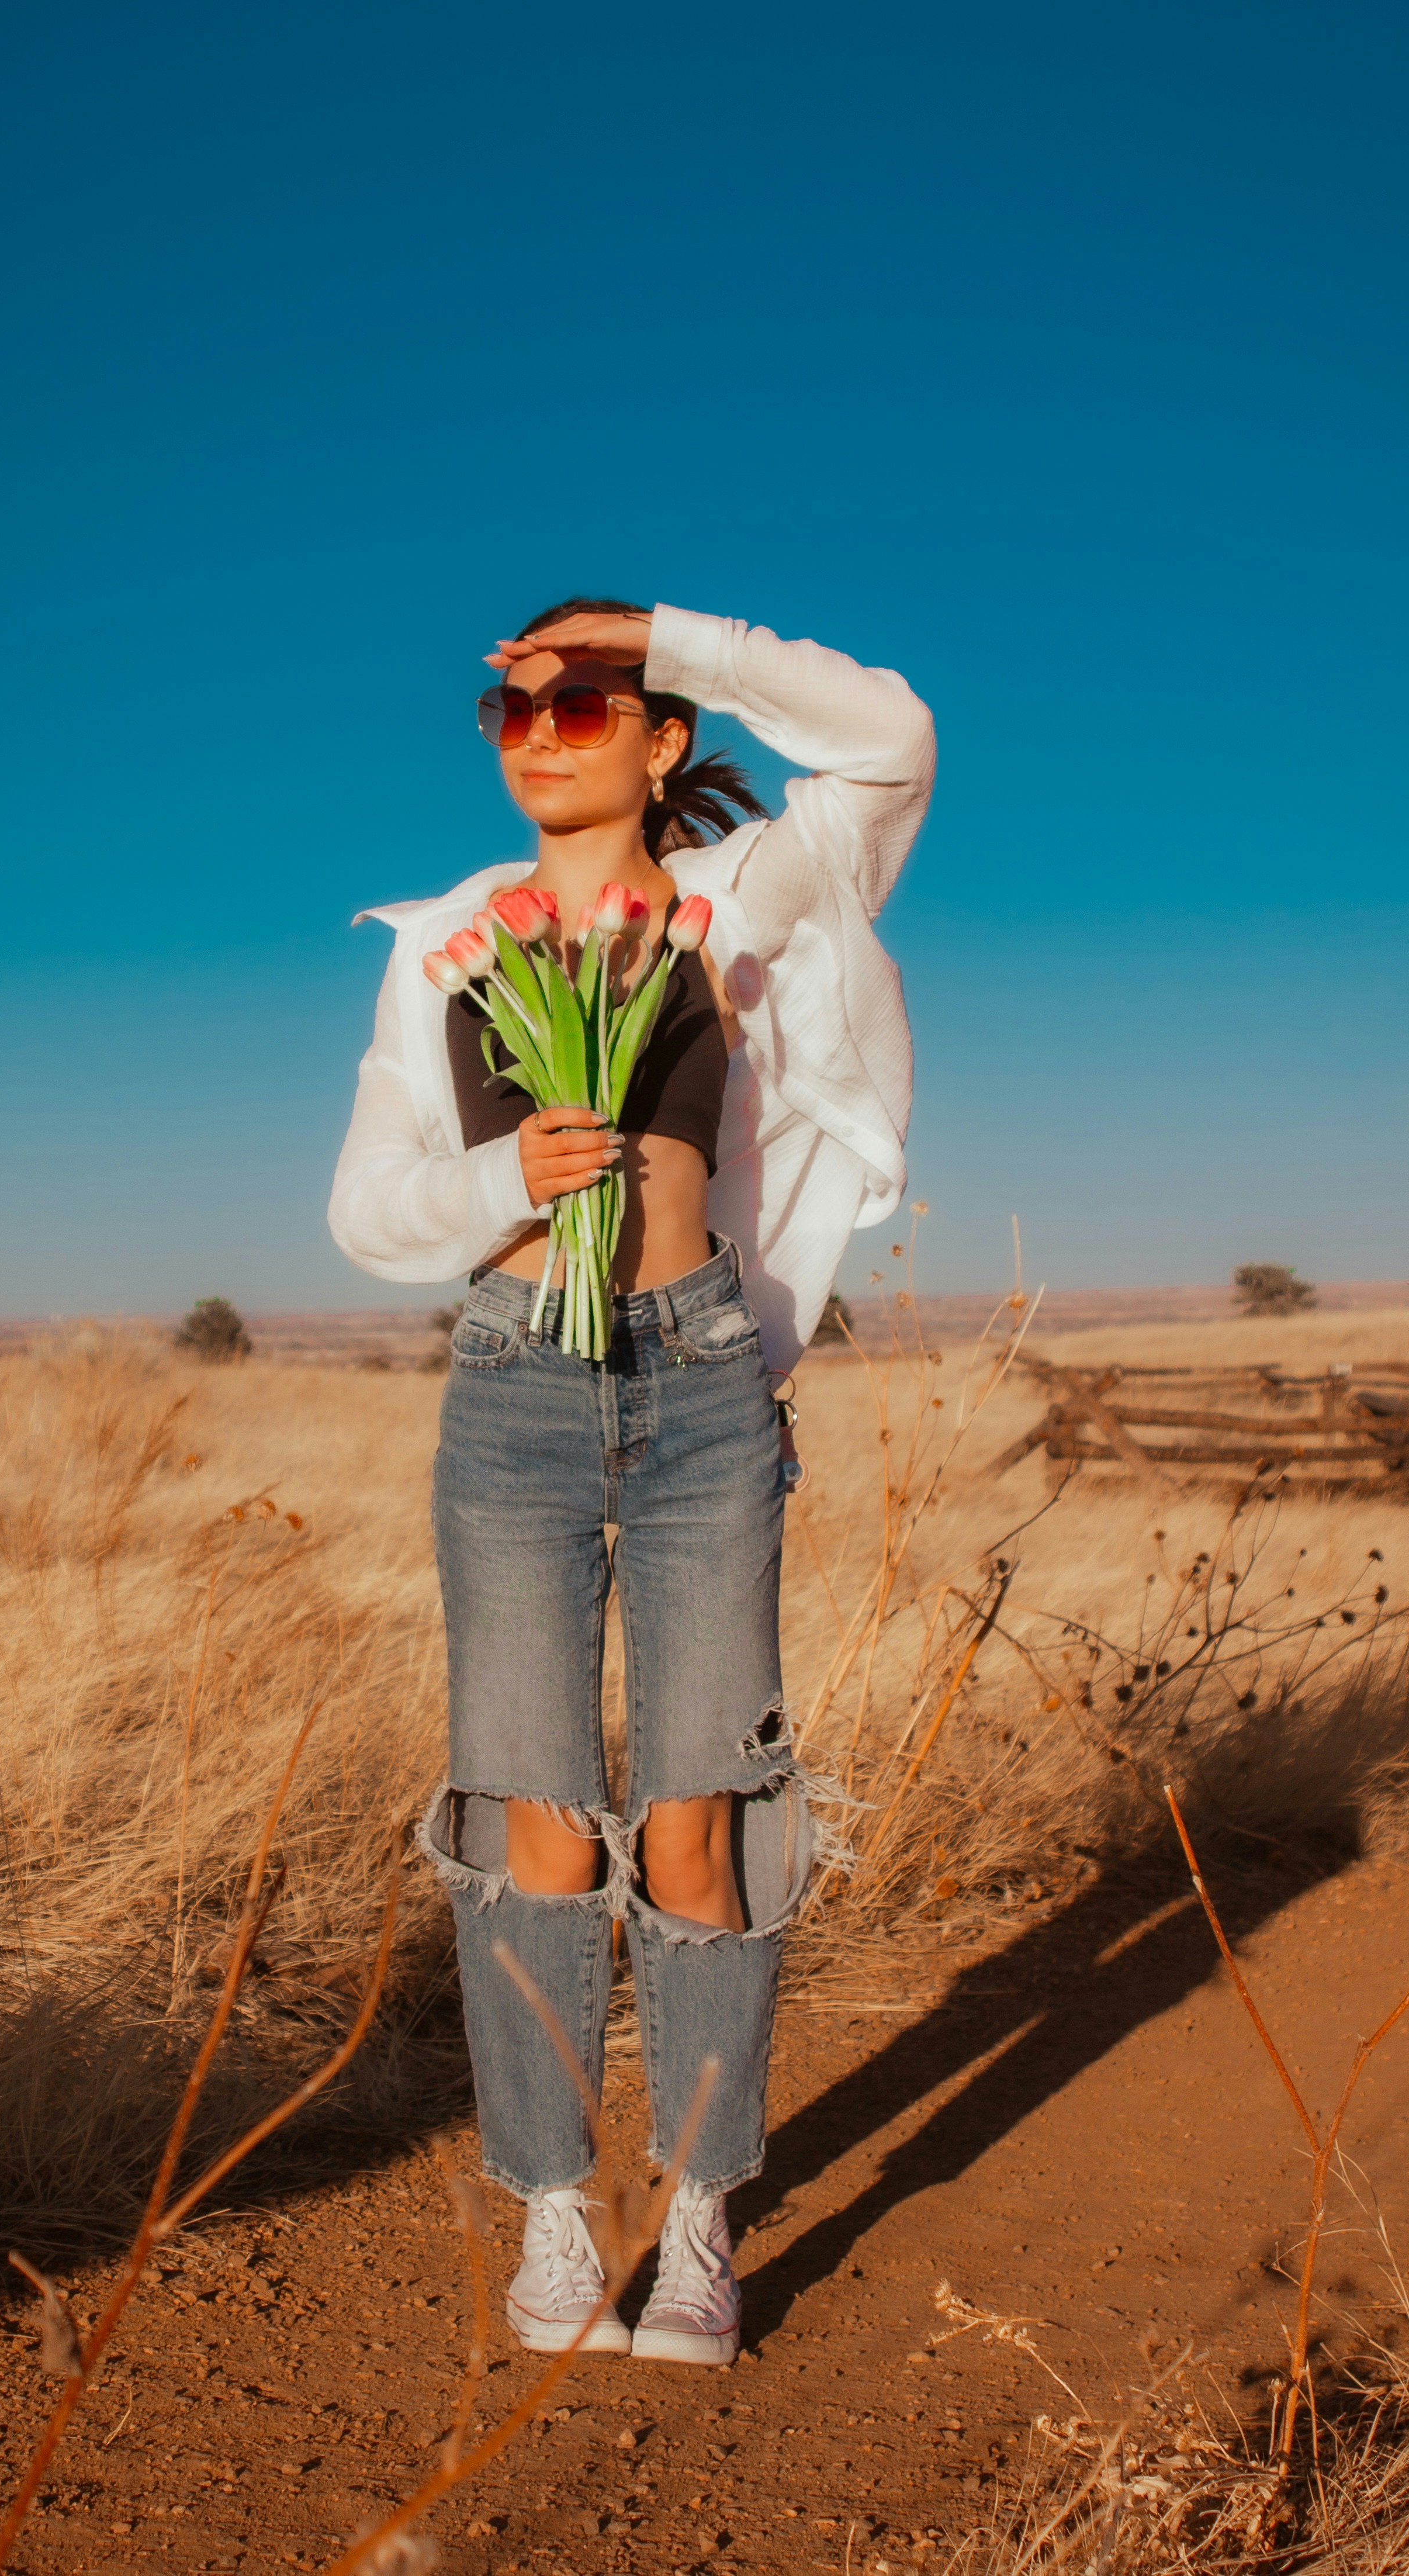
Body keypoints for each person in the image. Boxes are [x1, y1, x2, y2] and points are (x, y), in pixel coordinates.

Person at [330, 599, 932, 2363]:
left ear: (660, 735)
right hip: (510, 1384)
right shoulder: (442, 945)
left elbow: (889, 733)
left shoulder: (758, 896)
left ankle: (696, 2214)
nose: (538, 724)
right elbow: (371, 1210)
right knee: (524, 1808)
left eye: (582, 697)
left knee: (696, 1808)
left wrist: (671, 629)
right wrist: (494, 1178)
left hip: (692, 1381)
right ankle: (545, 2209)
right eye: (507, 704)